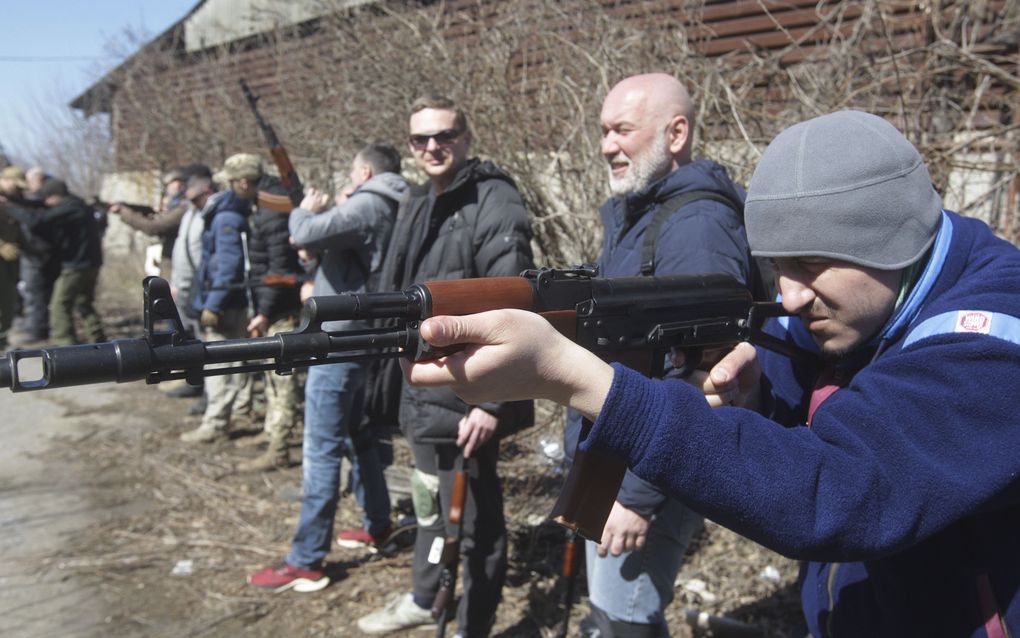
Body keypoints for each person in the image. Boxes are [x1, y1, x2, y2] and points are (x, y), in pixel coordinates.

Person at [402, 110, 1020, 637]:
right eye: (777, 266)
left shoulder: (993, 336)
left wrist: (578, 380)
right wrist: (759, 391)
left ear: (893, 239)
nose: (791, 297)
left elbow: (839, 491)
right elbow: (807, 382)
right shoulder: (865, 302)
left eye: (809, 264)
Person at [563, 73, 757, 638]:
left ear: (676, 133)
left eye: (622, 129)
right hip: (620, 452)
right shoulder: (639, 212)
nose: (606, 145)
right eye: (603, 131)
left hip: (649, 469)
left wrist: (636, 497)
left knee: (627, 614)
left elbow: (704, 379)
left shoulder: (697, 226)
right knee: (611, 606)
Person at [355, 95, 535, 638]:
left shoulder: (494, 200)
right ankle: (425, 596)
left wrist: (492, 403)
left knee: (477, 526)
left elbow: (513, 306)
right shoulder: (416, 200)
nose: (433, 147)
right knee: (430, 507)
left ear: (466, 138)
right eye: (420, 139)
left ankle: (470, 626)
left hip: (467, 401)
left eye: (445, 135)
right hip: (421, 398)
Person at [247, 142, 408, 590]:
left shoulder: (371, 202)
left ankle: (306, 559)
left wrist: (304, 209)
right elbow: (346, 258)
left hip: (338, 344)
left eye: (352, 172)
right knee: (358, 438)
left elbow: (303, 232)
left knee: (320, 450)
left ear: (365, 172)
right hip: (357, 338)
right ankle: (379, 524)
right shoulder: (395, 204)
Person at [179, 154, 260, 444]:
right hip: (229, 299)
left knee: (218, 365)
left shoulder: (225, 216)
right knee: (236, 361)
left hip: (225, 303)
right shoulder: (229, 213)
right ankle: (238, 409)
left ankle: (215, 423)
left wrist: (213, 304)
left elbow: (228, 265)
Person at [233, 174, 305, 472]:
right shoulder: (264, 208)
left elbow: (279, 269)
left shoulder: (273, 211)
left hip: (281, 311)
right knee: (272, 378)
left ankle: (279, 448)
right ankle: (271, 430)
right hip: (272, 308)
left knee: (282, 381)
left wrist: (263, 310)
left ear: (244, 181)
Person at [1, 178, 106, 346]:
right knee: (84, 303)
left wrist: (9, 207)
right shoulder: (76, 204)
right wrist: (13, 200)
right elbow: (38, 204)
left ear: (55, 196)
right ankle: (99, 341)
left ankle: (67, 346)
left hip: (77, 266)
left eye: (48, 198)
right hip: (90, 263)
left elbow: (37, 222)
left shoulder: (71, 209)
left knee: (59, 305)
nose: (46, 202)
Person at [108, 167, 190, 277]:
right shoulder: (177, 206)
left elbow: (153, 227)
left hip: (179, 265)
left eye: (169, 184)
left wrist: (123, 212)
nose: (167, 189)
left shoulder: (184, 207)